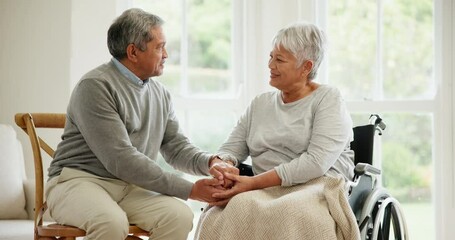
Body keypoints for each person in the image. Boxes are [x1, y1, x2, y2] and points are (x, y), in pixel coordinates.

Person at [45, 8, 237, 240]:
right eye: (159, 47)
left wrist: (210, 162)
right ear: (133, 52)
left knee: (179, 216)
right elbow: (120, 159)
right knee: (111, 222)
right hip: (77, 182)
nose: (166, 54)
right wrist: (190, 189)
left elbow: (176, 148)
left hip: (129, 187)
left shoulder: (160, 93)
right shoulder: (95, 86)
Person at [197, 22, 360, 240]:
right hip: (263, 189)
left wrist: (252, 183)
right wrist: (223, 165)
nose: (270, 65)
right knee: (223, 210)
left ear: (306, 67)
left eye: (280, 60)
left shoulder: (328, 99)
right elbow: (232, 148)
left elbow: (316, 162)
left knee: (290, 212)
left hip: (315, 185)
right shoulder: (260, 104)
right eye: (271, 56)